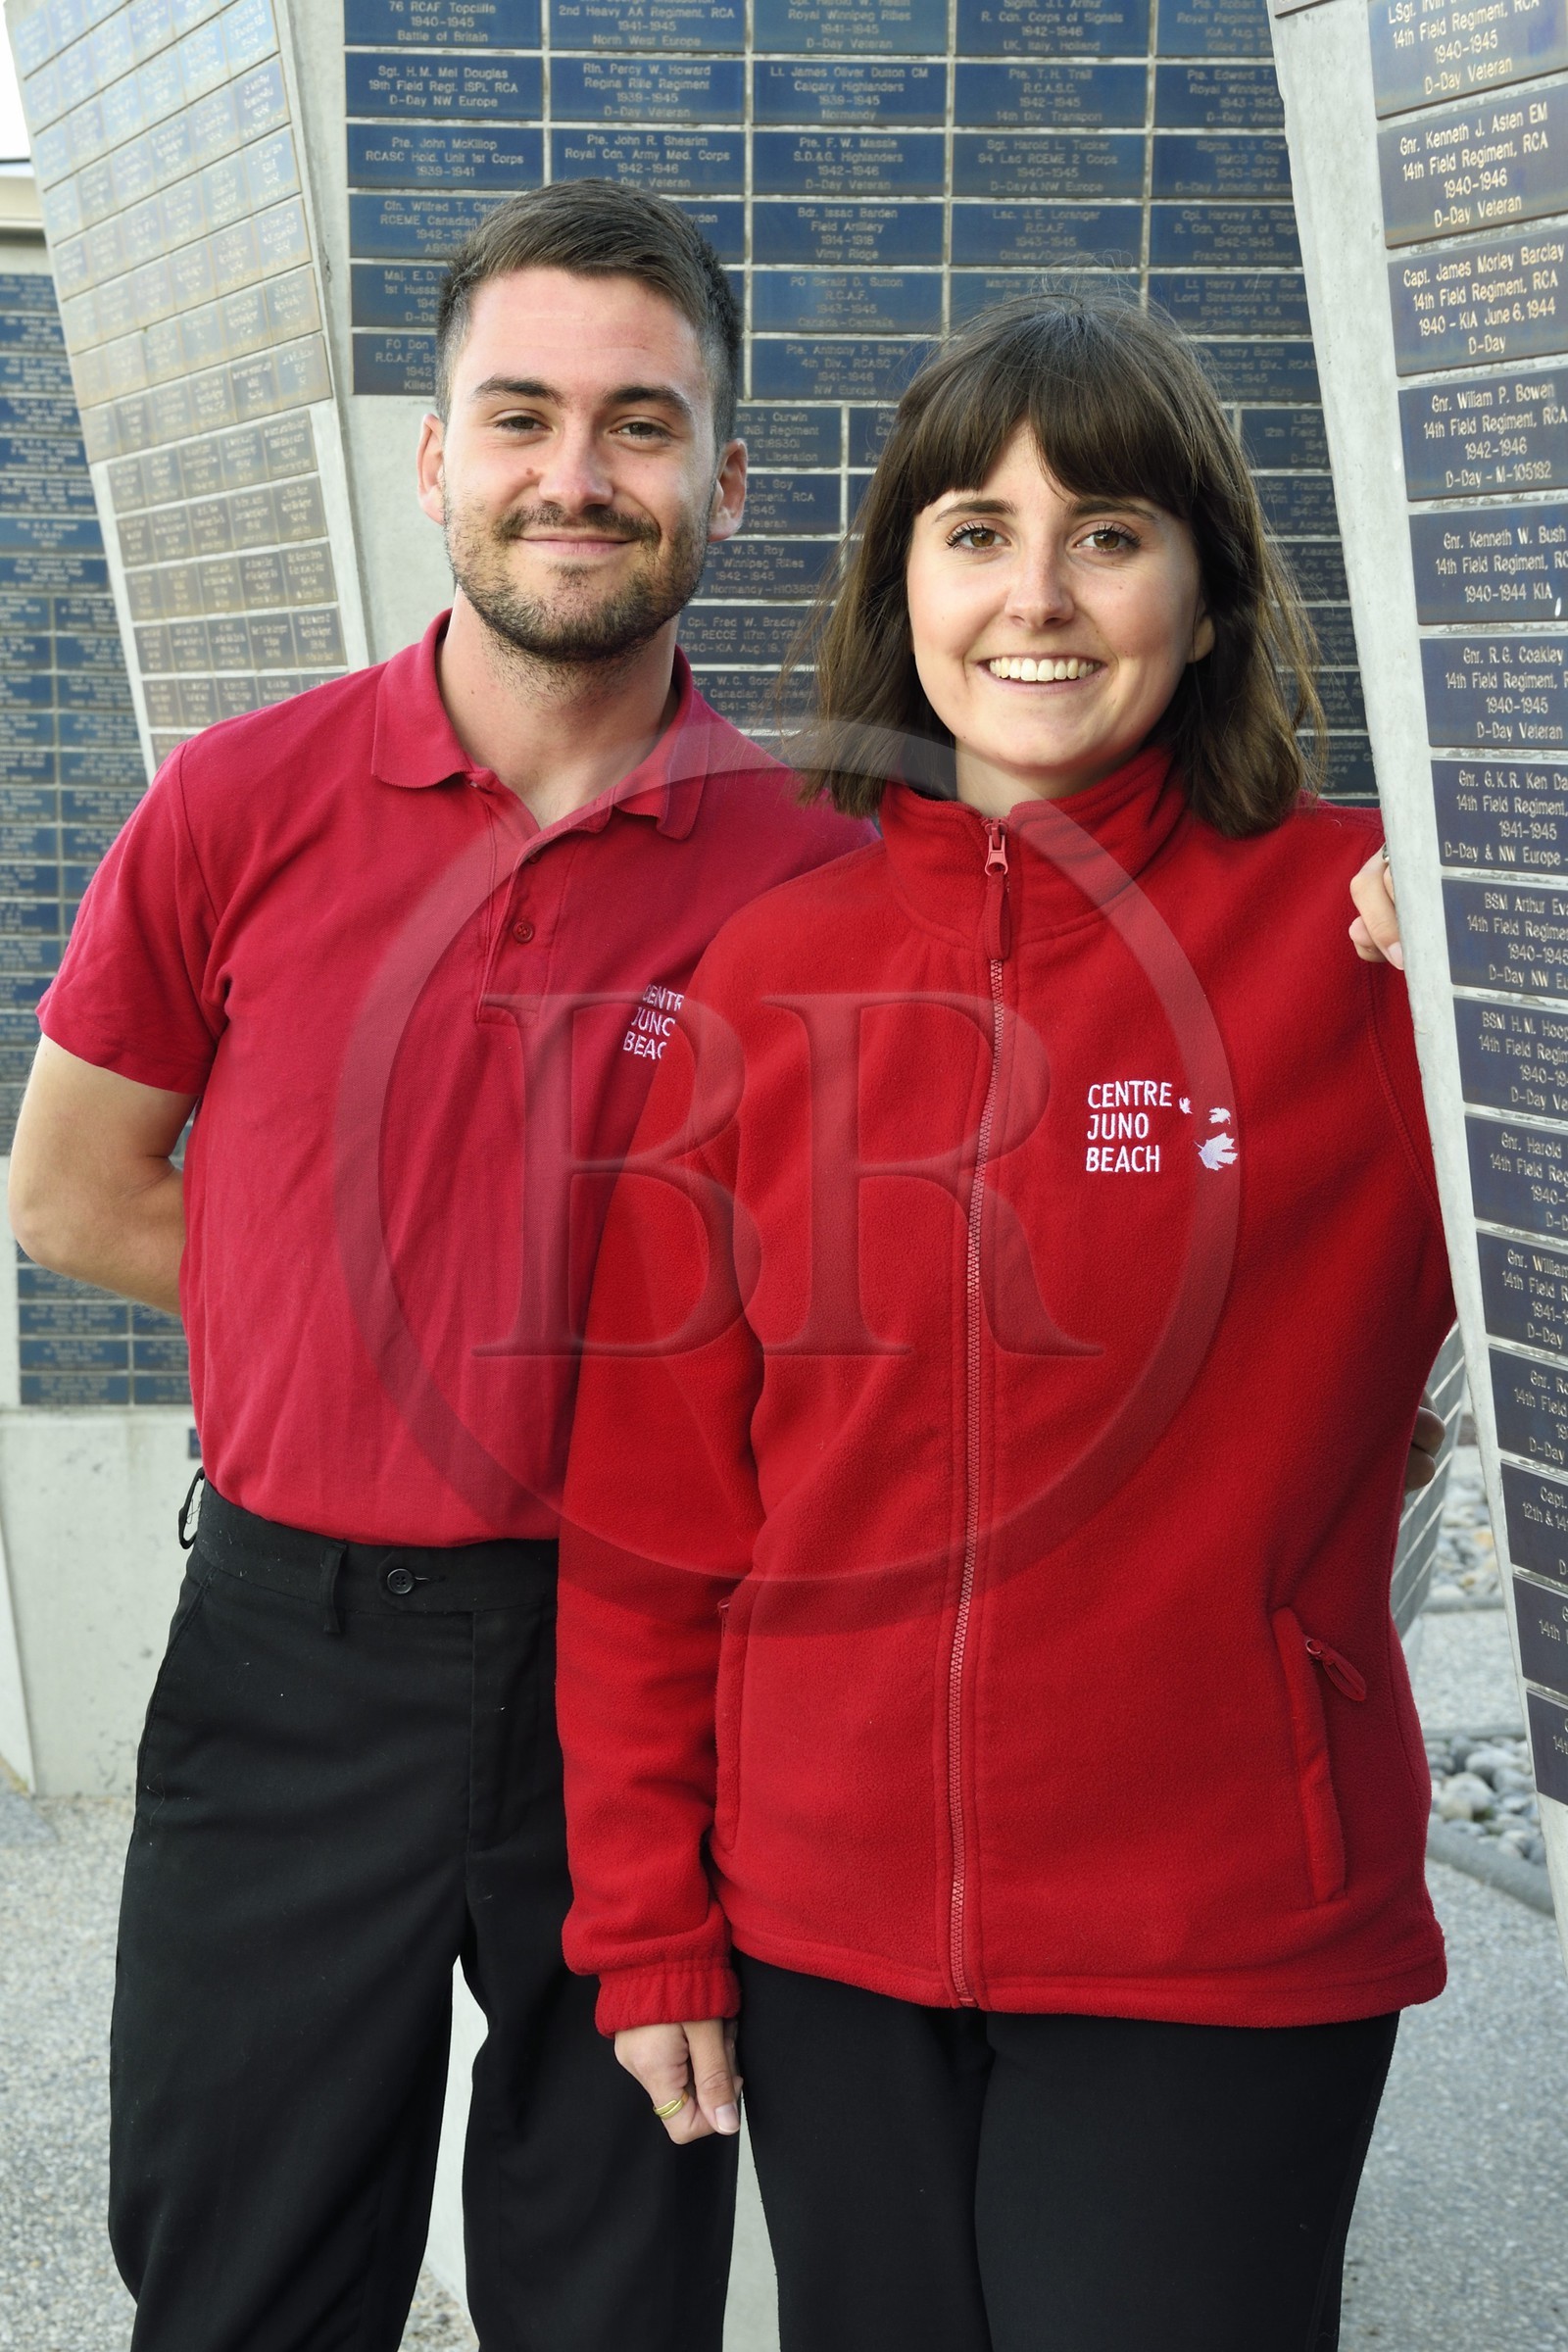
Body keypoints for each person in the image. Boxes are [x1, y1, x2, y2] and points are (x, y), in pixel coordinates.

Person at [5, 180, 867, 2352]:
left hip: (649, 1688)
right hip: (292, 1653)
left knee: (611, 2287)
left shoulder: (819, 884)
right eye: (519, 415)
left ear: (726, 479)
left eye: (640, 425)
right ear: (436, 459)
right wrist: (362, 1334)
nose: (573, 475)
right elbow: (69, 1188)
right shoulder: (238, 799)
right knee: (244, 2274)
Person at [554, 295, 1457, 2352]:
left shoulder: (1361, 941)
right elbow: (652, 1510)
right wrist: (648, 1926)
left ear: (1209, 593)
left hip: (1214, 1932)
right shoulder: (769, 977)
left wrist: (1509, 949)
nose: (1033, 594)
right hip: (823, 1934)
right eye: (972, 529)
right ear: (901, 587)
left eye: (1107, 531)